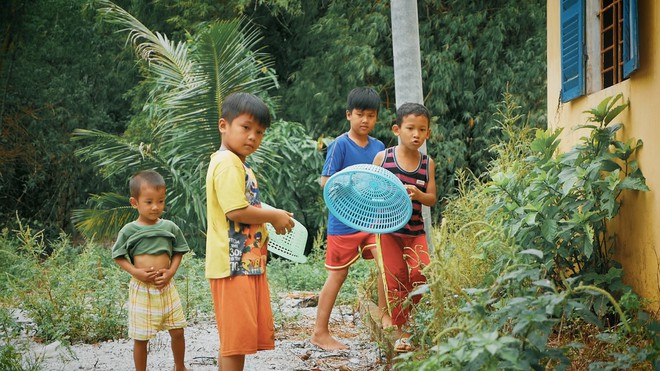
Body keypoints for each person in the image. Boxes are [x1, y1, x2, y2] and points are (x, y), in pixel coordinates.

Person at [205, 92, 295, 371]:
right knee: (234, 342)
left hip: (244, 264)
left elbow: (245, 205)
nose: (253, 137)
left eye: (259, 132)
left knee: (238, 340)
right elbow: (235, 211)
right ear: (224, 125)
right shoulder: (227, 163)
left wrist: (273, 217)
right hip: (233, 266)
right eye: (246, 128)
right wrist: (274, 215)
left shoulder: (236, 163)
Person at [311, 87, 387, 350]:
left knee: (385, 264)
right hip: (344, 222)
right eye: (359, 114)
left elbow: (382, 182)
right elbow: (325, 182)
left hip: (373, 221)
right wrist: (353, 183)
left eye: (371, 115)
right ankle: (320, 332)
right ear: (348, 115)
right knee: (337, 275)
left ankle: (385, 316)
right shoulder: (340, 145)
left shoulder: (379, 147)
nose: (365, 120)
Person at [371, 102, 436, 353]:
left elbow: (431, 198)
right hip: (388, 232)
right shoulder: (383, 158)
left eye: (422, 129)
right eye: (410, 128)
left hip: (415, 232)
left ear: (428, 133)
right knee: (395, 278)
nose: (416, 134)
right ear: (397, 129)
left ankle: (414, 324)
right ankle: (401, 333)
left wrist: (419, 194)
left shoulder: (427, 163)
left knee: (421, 273)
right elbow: (370, 189)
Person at [112, 169, 190, 371]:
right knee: (141, 337)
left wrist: (171, 272)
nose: (156, 207)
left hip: (167, 287)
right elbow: (118, 255)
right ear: (134, 202)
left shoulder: (170, 227)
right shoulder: (129, 230)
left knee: (178, 329)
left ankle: (179, 366)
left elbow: (179, 252)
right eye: (149, 202)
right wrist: (135, 272)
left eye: (161, 201)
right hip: (142, 289)